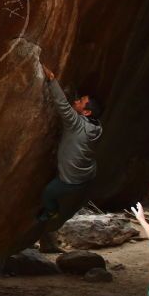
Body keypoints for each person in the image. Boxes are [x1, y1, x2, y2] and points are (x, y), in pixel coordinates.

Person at [37, 64, 102, 222]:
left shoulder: (76, 124)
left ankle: (52, 212)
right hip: (88, 174)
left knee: (48, 193)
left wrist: (52, 79)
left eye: (80, 101)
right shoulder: (97, 126)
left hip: (71, 180)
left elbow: (63, 105)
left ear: (86, 112)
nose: (76, 101)